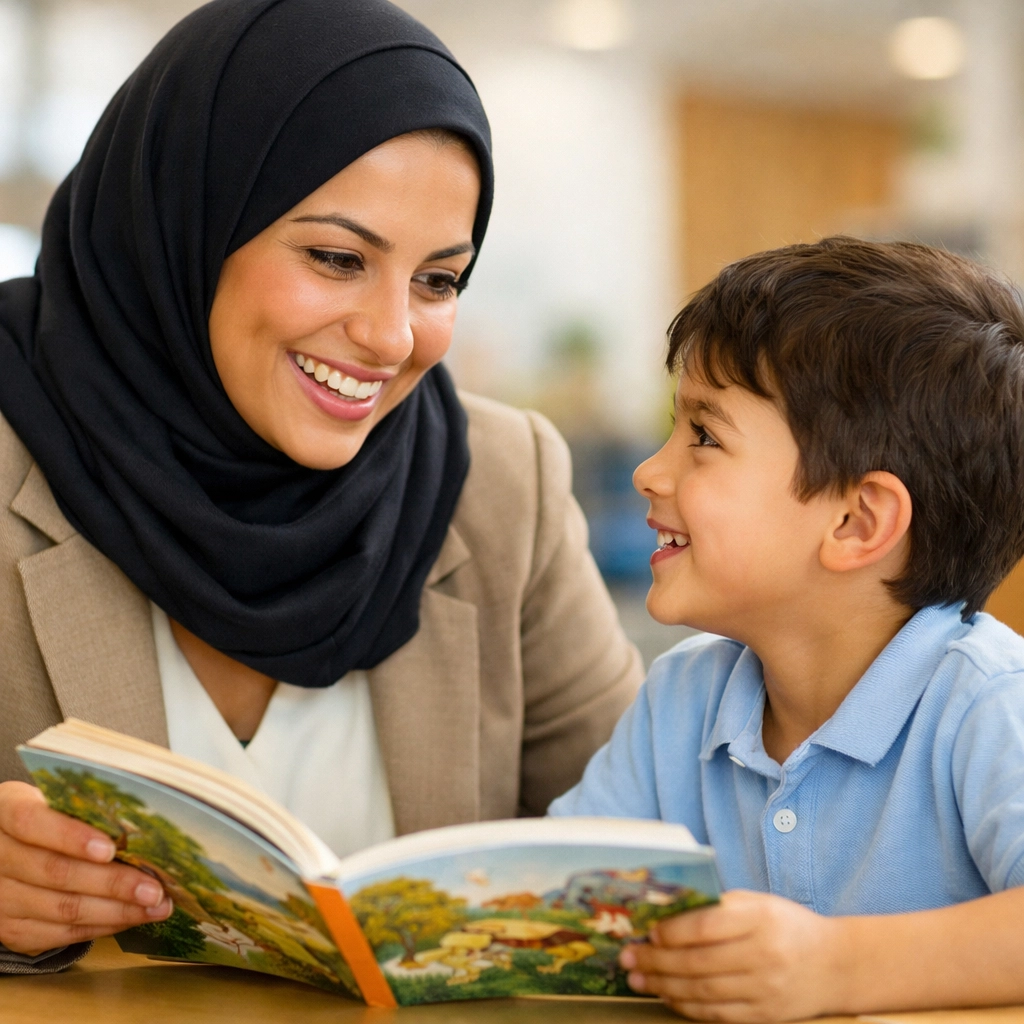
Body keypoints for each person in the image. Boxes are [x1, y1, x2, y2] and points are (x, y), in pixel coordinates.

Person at [0, 0, 642, 970]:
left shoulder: (502, 483)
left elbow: (644, 850)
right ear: (186, 224)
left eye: (438, 281)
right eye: (338, 258)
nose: (391, 337)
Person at [551, 237, 1024, 1021]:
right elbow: (566, 892)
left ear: (855, 520)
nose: (650, 471)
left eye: (703, 436)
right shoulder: (682, 698)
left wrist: (833, 968)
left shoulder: (987, 703)